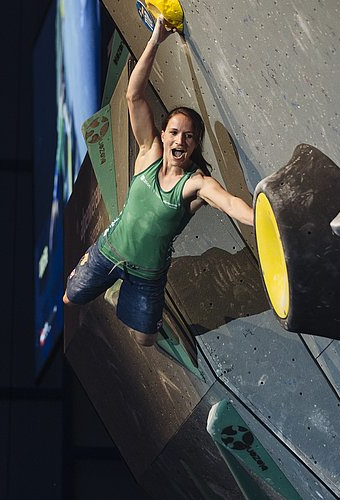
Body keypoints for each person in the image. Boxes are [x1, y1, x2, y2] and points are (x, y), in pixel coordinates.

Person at [62, 18, 254, 347]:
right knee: (71, 296)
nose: (180, 140)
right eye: (175, 132)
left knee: (144, 340)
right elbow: (134, 96)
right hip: (110, 250)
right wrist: (155, 39)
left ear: (194, 146)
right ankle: (93, 272)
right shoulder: (148, 153)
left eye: (189, 137)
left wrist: (265, 221)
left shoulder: (196, 183)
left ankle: (120, 293)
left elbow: (231, 203)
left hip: (147, 274)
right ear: (164, 135)